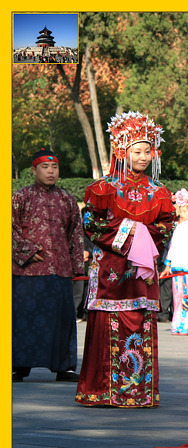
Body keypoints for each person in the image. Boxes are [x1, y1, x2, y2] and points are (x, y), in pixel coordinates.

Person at [75, 111, 176, 407]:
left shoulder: (159, 192)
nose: (144, 156)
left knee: (140, 324)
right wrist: (132, 235)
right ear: (122, 151)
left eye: (148, 151)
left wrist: (144, 237)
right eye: (137, 151)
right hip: (110, 270)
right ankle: (103, 390)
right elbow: (91, 224)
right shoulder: (103, 188)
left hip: (141, 273)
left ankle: (138, 392)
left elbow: (166, 225)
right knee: (107, 325)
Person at [12, 149, 85, 382]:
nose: (51, 171)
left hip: (61, 270)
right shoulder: (20, 197)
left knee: (62, 319)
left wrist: (77, 267)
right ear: (34, 170)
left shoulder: (67, 199)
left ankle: (64, 367)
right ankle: (18, 366)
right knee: (24, 317)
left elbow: (76, 234)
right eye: (45, 167)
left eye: (54, 168)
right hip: (28, 271)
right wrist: (26, 251)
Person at [161, 188, 188, 336]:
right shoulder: (178, 227)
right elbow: (172, 247)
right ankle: (178, 323)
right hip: (177, 266)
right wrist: (168, 264)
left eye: (185, 210)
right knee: (178, 296)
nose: (182, 213)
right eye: (181, 209)